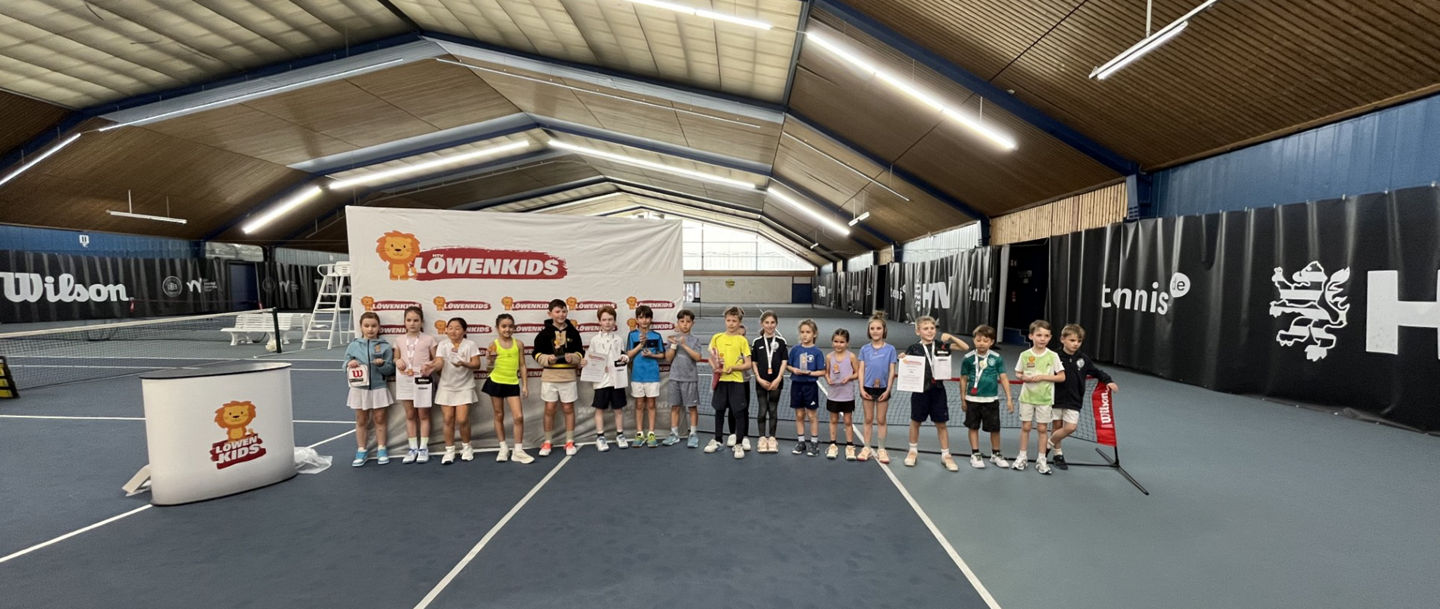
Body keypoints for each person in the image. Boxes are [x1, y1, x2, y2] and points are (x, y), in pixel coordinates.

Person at [901, 316, 971, 472]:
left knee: (941, 424)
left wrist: (951, 337)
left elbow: (965, 347)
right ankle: (912, 451)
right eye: (925, 328)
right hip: (920, 391)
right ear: (918, 331)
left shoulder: (942, 345)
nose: (930, 331)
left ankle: (946, 455)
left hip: (938, 391)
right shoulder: (913, 348)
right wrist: (903, 358)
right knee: (915, 421)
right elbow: (906, 364)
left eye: (932, 328)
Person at [1049, 324, 1118, 471]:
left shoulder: (1083, 359)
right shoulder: (1053, 356)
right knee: (1056, 426)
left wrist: (1108, 380)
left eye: (1079, 341)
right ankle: (1058, 454)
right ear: (1062, 339)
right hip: (1055, 398)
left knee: (1070, 427)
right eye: (1072, 340)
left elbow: (1096, 372)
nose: (1075, 344)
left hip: (1074, 399)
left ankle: (1047, 444)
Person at [533, 299, 585, 457]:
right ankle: (547, 441)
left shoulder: (573, 332)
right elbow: (536, 353)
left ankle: (570, 441)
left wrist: (573, 358)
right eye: (557, 311)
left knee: (568, 408)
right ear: (550, 314)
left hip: (568, 376)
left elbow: (580, 353)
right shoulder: (543, 334)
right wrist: (547, 359)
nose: (561, 314)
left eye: (563, 311)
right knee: (549, 409)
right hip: (550, 376)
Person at [1012, 320, 1065, 475]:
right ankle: (1022, 456)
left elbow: (1061, 377)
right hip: (1027, 398)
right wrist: (1024, 378)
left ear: (1050, 338)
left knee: (1042, 429)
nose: (1042, 339)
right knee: (1026, 427)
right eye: (1039, 335)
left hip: (1045, 399)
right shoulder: (1025, 355)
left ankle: (1042, 459)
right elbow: (1018, 373)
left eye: (1046, 336)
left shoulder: (1053, 356)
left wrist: (1043, 376)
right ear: (1031, 336)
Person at [958, 324, 1012, 469]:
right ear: (974, 340)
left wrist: (1009, 399)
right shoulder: (968, 358)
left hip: (991, 400)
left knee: (995, 429)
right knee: (973, 427)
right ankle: (975, 454)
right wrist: (963, 398)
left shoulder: (997, 358)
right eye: (978, 340)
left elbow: (1004, 378)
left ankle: (996, 454)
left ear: (991, 342)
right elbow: (963, 379)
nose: (981, 343)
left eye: (985, 340)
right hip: (972, 399)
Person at [483, 313, 534, 464]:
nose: (507, 329)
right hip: (496, 382)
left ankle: (518, 450)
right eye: (504, 326)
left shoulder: (518, 344)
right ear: (497, 328)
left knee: (518, 417)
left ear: (514, 328)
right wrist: (490, 360)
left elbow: (522, 365)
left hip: (512, 383)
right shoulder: (493, 345)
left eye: (510, 326)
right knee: (499, 415)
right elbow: (488, 369)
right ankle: (503, 447)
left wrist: (524, 384)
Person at [345, 312, 395, 467]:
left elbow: (390, 370)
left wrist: (382, 365)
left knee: (380, 419)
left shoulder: (385, 346)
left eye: (373, 326)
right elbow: (344, 364)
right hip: (359, 389)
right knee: (361, 420)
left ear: (379, 327)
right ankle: (361, 450)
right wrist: (349, 363)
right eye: (366, 326)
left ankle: (381, 449)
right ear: (361, 327)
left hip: (379, 388)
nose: (370, 329)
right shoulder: (354, 345)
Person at [705, 306, 752, 459]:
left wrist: (734, 368)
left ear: (739, 322)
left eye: (734, 321)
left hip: (736, 381)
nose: (731, 324)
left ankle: (738, 443)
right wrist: (715, 368)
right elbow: (711, 358)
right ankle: (718, 440)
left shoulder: (742, 340)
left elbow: (748, 364)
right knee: (719, 410)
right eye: (728, 320)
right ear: (725, 321)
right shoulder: (717, 338)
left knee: (738, 412)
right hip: (721, 381)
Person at [393, 306, 438, 464]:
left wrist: (430, 366)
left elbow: (437, 359)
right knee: (410, 415)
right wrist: (397, 360)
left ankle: (423, 448)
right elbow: (396, 358)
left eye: (416, 320)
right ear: (404, 322)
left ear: (422, 322)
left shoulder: (429, 339)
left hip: (422, 380)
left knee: (423, 415)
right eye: (409, 320)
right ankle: (412, 448)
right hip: (405, 380)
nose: (412, 323)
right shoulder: (399, 340)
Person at [435, 317, 481, 465]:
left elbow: (477, 364)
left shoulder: (470, 344)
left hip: (464, 386)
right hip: (446, 387)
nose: (453, 331)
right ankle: (449, 450)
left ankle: (467, 448)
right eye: (450, 328)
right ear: (446, 330)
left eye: (457, 328)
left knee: (462, 419)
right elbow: (439, 363)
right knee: (448, 419)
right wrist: (431, 367)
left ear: (464, 331)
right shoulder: (442, 344)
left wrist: (464, 363)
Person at [587, 306, 629, 452]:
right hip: (601, 381)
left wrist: (625, 357)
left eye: (610, 319)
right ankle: (600, 436)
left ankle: (620, 434)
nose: (607, 323)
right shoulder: (594, 340)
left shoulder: (618, 339)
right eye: (604, 320)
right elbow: (591, 360)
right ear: (599, 322)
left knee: (618, 408)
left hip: (617, 380)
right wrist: (599, 367)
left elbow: (622, 354)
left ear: (615, 321)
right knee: (600, 409)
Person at [857, 313, 897, 463]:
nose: (875, 331)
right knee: (868, 419)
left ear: (884, 330)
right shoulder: (864, 349)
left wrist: (887, 390)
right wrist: (861, 389)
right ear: (869, 330)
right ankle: (866, 447)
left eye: (878, 328)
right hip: (867, 388)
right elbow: (861, 370)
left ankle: (881, 449)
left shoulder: (891, 349)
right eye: (872, 328)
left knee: (881, 419)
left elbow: (892, 371)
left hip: (883, 389)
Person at [663, 309, 705, 447]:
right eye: (682, 321)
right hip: (675, 378)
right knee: (675, 407)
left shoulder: (695, 340)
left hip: (690, 379)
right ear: (678, 323)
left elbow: (698, 357)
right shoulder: (672, 339)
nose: (685, 324)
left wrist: (684, 344)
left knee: (692, 407)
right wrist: (675, 344)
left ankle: (693, 434)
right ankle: (674, 434)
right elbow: (668, 358)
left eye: (688, 322)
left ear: (692, 323)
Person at [626, 305, 666, 448]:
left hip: (652, 376)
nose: (644, 320)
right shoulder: (632, 335)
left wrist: (652, 355)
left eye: (647, 317)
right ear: (637, 319)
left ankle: (651, 433)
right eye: (641, 317)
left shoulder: (657, 336)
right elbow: (628, 356)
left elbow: (662, 355)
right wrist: (640, 346)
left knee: (651, 404)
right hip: (637, 376)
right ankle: (639, 433)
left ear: (651, 319)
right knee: (639, 405)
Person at [751, 310, 788, 454]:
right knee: (761, 411)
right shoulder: (757, 342)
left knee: (773, 410)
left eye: (772, 322)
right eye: (767, 322)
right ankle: (761, 438)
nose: (770, 325)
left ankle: (772, 438)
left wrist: (779, 378)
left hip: (776, 382)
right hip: (761, 382)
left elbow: (784, 361)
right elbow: (753, 362)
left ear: (776, 324)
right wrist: (759, 378)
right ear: (762, 324)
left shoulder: (781, 342)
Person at [787, 319, 826, 456]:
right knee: (799, 414)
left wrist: (810, 373)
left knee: (811, 415)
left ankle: (814, 443)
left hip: (810, 387)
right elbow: (788, 365)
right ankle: (801, 442)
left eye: (808, 332)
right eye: (802, 332)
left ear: (814, 334)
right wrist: (795, 370)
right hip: (796, 385)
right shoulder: (795, 349)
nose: (805, 335)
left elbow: (822, 371)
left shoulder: (817, 352)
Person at [824, 328, 860, 460]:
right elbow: (826, 372)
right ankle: (833, 444)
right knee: (833, 420)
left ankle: (850, 446)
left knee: (847, 420)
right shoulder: (829, 357)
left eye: (841, 342)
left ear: (847, 343)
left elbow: (857, 373)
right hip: (833, 394)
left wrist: (849, 378)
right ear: (832, 342)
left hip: (847, 395)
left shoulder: (851, 356)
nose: (838, 344)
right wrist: (828, 379)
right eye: (836, 341)